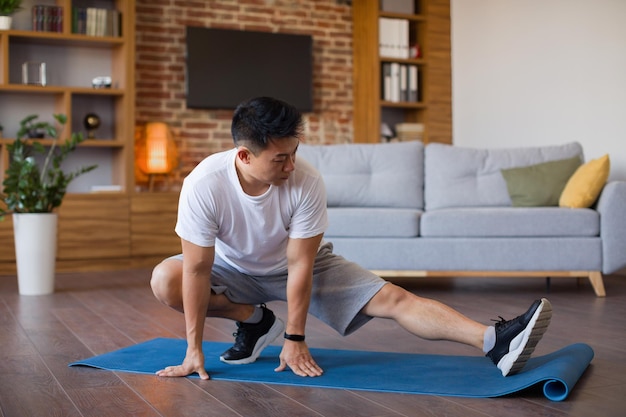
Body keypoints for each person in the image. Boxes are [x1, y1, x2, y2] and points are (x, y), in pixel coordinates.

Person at [151, 96, 552, 381]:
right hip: (232, 267)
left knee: (393, 298)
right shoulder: (205, 184)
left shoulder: (305, 179)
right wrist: (193, 352)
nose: (292, 165)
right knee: (166, 279)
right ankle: (253, 320)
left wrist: (295, 337)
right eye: (280, 158)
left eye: (294, 152)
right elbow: (199, 268)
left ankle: (494, 341)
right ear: (244, 156)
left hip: (296, 263)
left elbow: (300, 263)